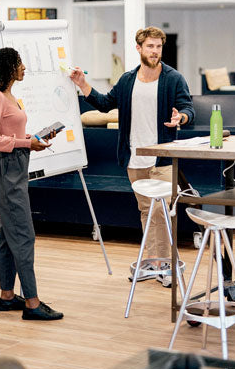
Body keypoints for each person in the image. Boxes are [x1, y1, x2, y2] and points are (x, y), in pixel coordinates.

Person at [70, 26, 194, 287]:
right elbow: (105, 103)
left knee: (161, 212)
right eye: (150, 46)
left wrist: (180, 117)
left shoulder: (173, 78)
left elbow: (187, 108)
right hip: (134, 158)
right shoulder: (127, 80)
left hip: (162, 157)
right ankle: (153, 263)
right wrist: (82, 84)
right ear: (139, 48)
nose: (155, 51)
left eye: (158, 46)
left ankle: (165, 266)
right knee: (146, 211)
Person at [0, 47, 63, 321]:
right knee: (24, 235)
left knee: (9, 233)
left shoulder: (9, 97)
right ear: (8, 67)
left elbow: (9, 134)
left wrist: (31, 140)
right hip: (6, 169)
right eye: (19, 63)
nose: (24, 67)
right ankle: (32, 303)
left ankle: (7, 296)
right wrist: (27, 143)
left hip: (15, 166)